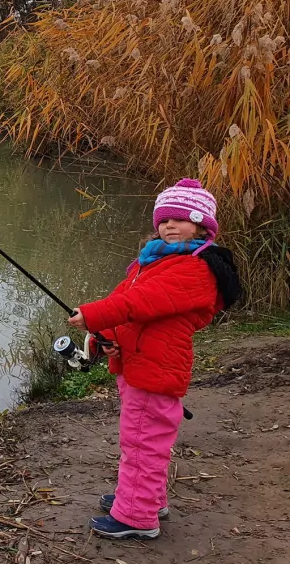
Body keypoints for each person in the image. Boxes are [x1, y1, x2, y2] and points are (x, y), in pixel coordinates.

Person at [67, 177, 242, 540]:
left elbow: (139, 303)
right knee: (142, 439)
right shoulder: (152, 261)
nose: (169, 226)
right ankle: (146, 500)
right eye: (164, 220)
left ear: (202, 226)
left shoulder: (196, 269)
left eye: (180, 219)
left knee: (143, 443)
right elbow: (129, 305)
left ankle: (137, 517)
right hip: (138, 364)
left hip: (156, 369)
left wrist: (94, 314)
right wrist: (107, 338)